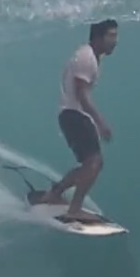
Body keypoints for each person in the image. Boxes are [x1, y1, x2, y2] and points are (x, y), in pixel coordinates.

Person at [35, 19, 118, 220]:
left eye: (116, 36)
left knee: (90, 164)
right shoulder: (86, 58)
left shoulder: (90, 56)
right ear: (98, 37)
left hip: (72, 114)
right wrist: (100, 122)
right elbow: (82, 95)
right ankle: (74, 209)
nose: (115, 41)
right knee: (94, 163)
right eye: (111, 36)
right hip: (74, 115)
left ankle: (54, 193)